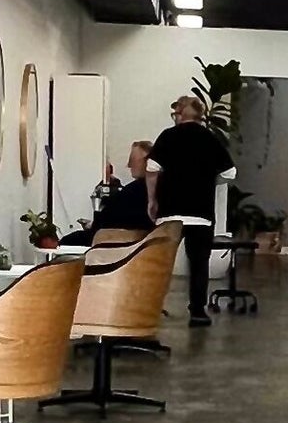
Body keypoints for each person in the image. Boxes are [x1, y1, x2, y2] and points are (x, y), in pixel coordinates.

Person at [143, 94, 236, 325]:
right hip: (201, 213)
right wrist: (207, 181)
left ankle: (152, 306)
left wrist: (152, 201)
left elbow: (152, 169)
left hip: (170, 211)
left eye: (176, 112)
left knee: (161, 261)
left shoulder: (168, 137)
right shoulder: (210, 138)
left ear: (181, 113)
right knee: (199, 264)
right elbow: (229, 173)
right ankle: (197, 311)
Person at [65, 140, 154, 244]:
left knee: (66, 241)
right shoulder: (148, 191)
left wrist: (94, 225)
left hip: (110, 240)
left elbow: (109, 219)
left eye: (132, 160)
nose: (129, 165)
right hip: (120, 238)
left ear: (146, 162)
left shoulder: (134, 192)